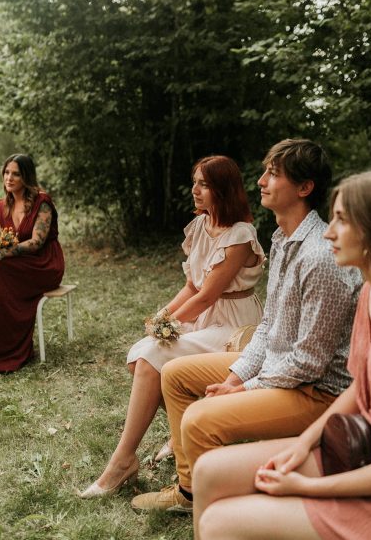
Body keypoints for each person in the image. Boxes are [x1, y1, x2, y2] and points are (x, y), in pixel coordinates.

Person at [131, 138, 363, 513]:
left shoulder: (321, 257)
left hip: (317, 392)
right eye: (265, 171)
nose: (260, 181)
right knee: (172, 374)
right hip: (279, 368)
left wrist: (243, 388)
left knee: (200, 419)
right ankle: (190, 492)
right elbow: (269, 323)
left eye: (274, 174)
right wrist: (237, 377)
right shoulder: (283, 239)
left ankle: (219, 505)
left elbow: (308, 364)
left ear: (304, 188)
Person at [192, 165, 371, 540]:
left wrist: (307, 487)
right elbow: (357, 387)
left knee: (221, 522)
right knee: (208, 473)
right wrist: (303, 445)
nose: (328, 232)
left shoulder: (322, 265)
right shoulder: (370, 294)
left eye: (342, 221)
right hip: (355, 444)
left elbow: (309, 363)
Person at [79, 155, 265, 498]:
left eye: (204, 184)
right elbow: (192, 286)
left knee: (152, 357)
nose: (195, 190)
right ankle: (182, 431)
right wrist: (160, 318)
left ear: (223, 189)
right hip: (204, 316)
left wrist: (169, 325)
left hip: (234, 325)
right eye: (194, 182)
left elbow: (209, 295)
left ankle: (122, 461)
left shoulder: (240, 234)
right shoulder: (199, 227)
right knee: (140, 358)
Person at [0, 153, 65, 372]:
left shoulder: (42, 202)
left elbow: (37, 242)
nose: (9, 178)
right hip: (19, 263)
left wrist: (1, 254)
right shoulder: (3, 206)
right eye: (7, 172)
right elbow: (4, 241)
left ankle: (10, 351)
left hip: (45, 263)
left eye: (16, 174)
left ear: (26, 177)